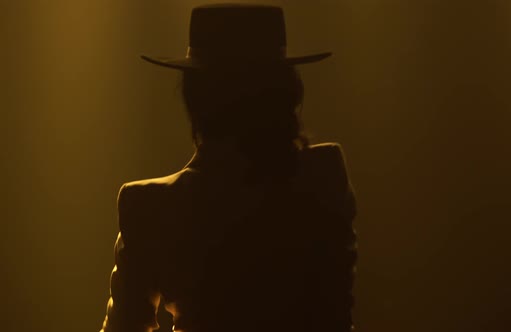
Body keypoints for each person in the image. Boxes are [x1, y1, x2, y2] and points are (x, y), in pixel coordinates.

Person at [99, 4, 357, 332]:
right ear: (286, 92)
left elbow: (125, 326)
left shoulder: (150, 206)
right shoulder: (324, 177)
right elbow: (336, 313)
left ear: (195, 98)